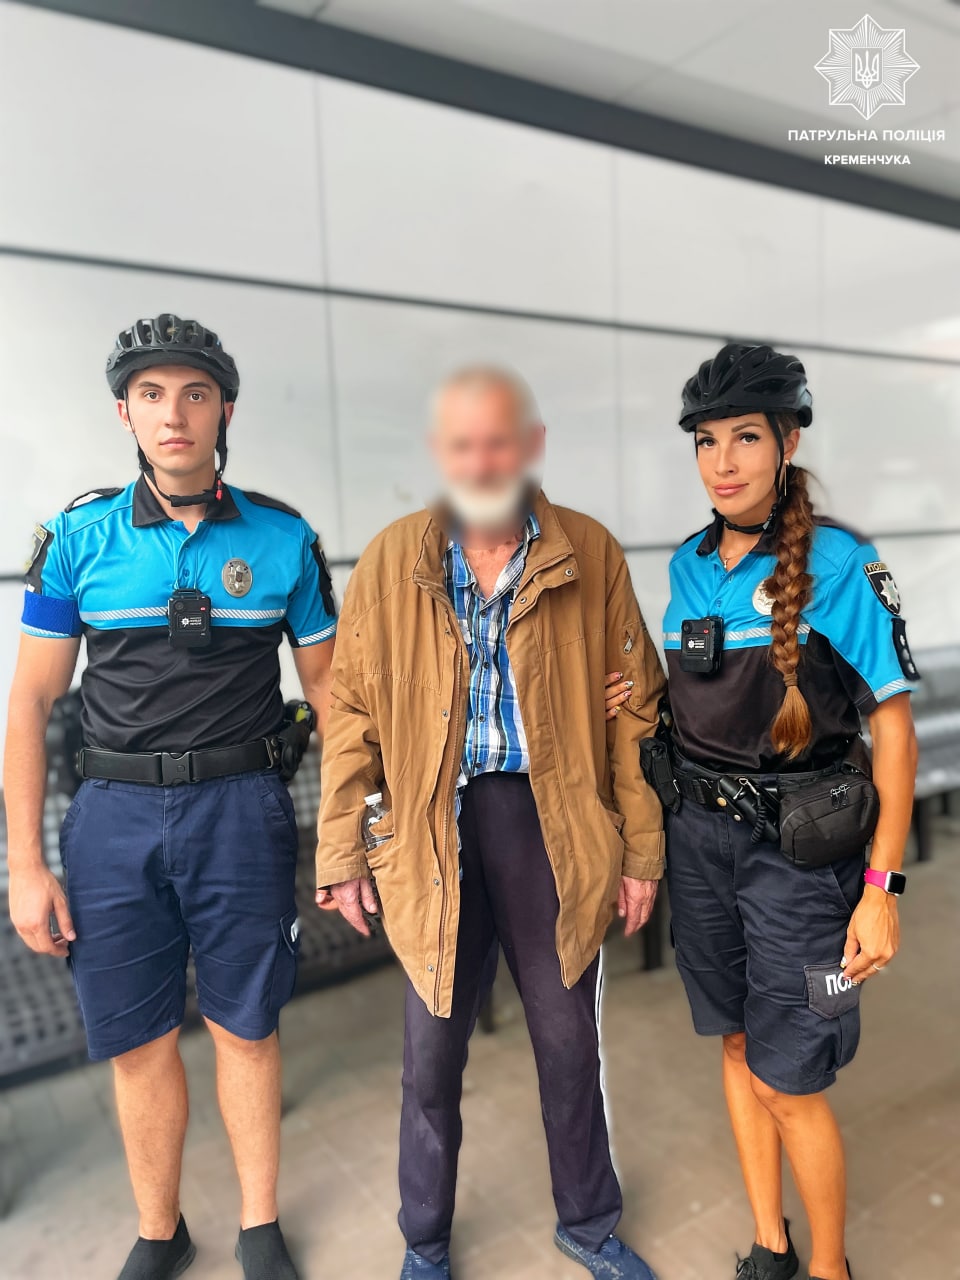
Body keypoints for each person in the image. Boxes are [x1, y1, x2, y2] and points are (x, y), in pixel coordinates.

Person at [5, 315, 338, 1280]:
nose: (174, 413)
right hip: (111, 820)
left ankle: (259, 1225)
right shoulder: (76, 539)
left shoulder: (285, 539)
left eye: (195, 393)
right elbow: (29, 702)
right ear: (125, 413)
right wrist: (26, 864)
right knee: (138, 1040)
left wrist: (357, 826)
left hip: (243, 811)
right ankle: (161, 1231)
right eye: (150, 394)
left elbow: (331, 693)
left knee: (247, 1027)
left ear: (225, 408)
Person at [315, 366, 666, 1280]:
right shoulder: (391, 560)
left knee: (568, 1042)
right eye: (463, 445)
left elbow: (636, 714)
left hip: (550, 823)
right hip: (431, 829)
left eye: (499, 442)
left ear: (531, 445)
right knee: (430, 1053)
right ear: (441, 453)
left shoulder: (589, 552)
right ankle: (425, 1239)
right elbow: (349, 714)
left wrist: (640, 852)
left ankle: (588, 1222)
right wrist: (342, 848)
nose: (481, 462)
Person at [610, 343, 917, 1280]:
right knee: (739, 1043)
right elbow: (704, 706)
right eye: (706, 441)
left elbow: (892, 732)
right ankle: (770, 1249)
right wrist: (641, 700)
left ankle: (830, 1270)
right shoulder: (690, 564)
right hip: (701, 846)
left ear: (788, 442)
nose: (723, 461)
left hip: (801, 859)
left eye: (745, 437)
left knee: (792, 1081)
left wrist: (882, 888)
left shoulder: (841, 563)